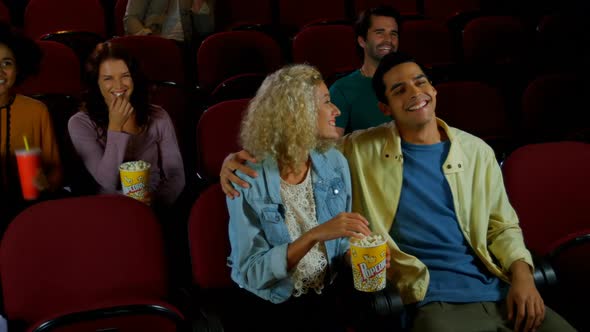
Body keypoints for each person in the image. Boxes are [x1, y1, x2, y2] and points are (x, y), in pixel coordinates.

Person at [219, 52, 576, 332]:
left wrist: (523, 275)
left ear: (434, 89)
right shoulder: (356, 151)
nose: (416, 93)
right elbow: (291, 150)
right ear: (384, 109)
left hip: (497, 285)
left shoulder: (477, 152)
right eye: (399, 89)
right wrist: (231, 162)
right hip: (423, 298)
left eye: (421, 83)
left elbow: (502, 227)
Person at [226, 64, 376, 332]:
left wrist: (358, 257)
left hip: (325, 298)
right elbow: (252, 272)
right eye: (327, 102)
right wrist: (314, 235)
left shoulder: (335, 162)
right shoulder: (246, 176)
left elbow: (340, 244)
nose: (337, 111)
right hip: (270, 306)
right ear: (298, 113)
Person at [68, 41, 185, 209]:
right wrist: (115, 127)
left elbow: (176, 175)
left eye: (125, 76)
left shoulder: (158, 116)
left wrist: (156, 200)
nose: (119, 85)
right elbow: (108, 181)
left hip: (155, 206)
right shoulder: (80, 123)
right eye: (108, 78)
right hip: (108, 209)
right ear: (97, 83)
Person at [0, 23, 63, 227]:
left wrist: (46, 183)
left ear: (18, 68)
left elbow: (56, 172)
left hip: (30, 212)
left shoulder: (37, 111)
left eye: (6, 63)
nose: (0, 72)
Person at [330, 5, 401, 136]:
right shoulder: (342, 89)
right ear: (362, 41)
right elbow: (330, 149)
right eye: (380, 33)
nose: (388, 40)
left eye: (393, 33)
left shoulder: (410, 82)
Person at [123, 0, 214, 42]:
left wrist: (198, 3)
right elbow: (130, 18)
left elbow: (205, 30)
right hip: (153, 41)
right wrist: (147, 37)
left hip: (184, 47)